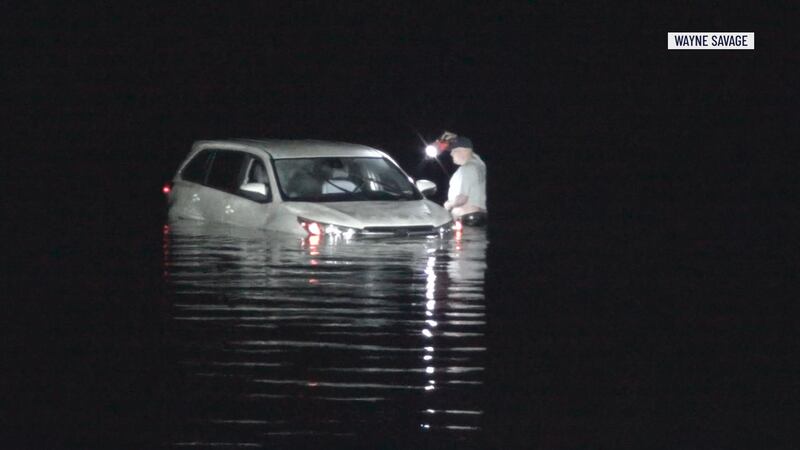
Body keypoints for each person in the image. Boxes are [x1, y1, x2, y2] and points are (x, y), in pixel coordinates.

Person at [440, 134, 487, 226]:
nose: (451, 154)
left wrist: (448, 205)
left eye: (453, 151)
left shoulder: (467, 168)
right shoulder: (480, 166)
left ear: (463, 151)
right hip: (479, 217)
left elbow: (462, 198)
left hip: (467, 219)